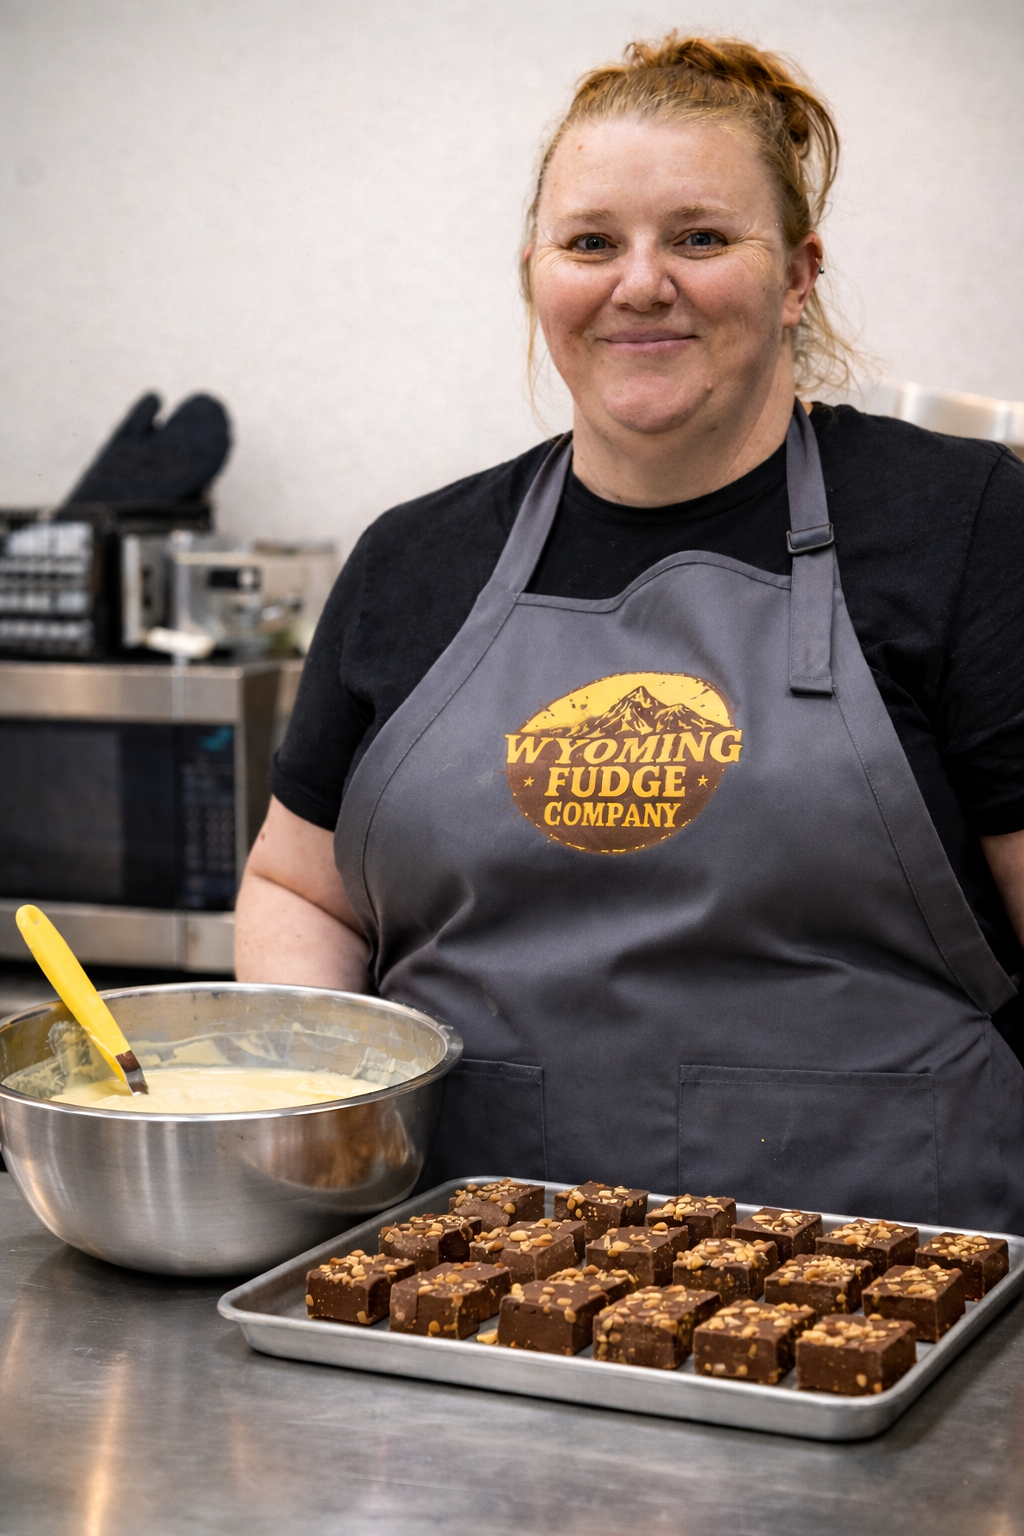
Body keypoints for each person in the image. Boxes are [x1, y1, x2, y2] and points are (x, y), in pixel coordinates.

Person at [236, 35, 1024, 1231]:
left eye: (700, 238)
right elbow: (302, 888)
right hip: (462, 1269)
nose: (640, 282)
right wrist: (323, 1110)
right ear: (534, 272)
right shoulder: (413, 557)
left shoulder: (961, 522)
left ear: (799, 274)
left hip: (891, 1285)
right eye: (590, 242)